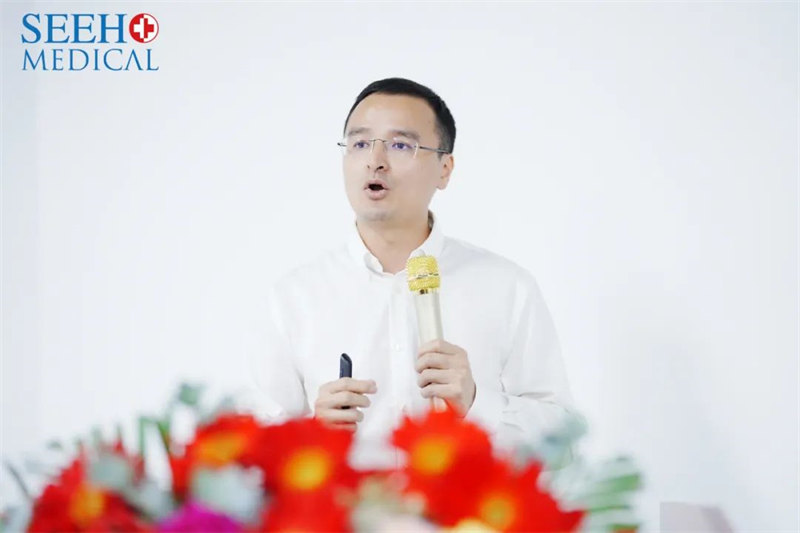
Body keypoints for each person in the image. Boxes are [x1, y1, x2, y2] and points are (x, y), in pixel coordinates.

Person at [247, 77, 574, 468]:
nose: (375, 160)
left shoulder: (507, 287)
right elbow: (251, 455)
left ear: (444, 169)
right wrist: (313, 434)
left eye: (400, 145)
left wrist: (476, 403)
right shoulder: (295, 297)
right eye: (360, 144)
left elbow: (563, 440)